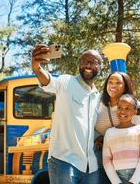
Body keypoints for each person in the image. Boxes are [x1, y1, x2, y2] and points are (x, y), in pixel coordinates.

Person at [32, 44, 103, 184]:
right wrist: (37, 68)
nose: (87, 65)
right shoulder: (66, 82)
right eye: (83, 61)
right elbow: (48, 81)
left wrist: (100, 137)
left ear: (99, 66)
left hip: (90, 165)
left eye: (92, 62)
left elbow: (89, 125)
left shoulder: (97, 96)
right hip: (64, 161)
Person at [94, 72, 140, 183]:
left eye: (118, 83)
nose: (113, 85)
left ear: (125, 86)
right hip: (102, 156)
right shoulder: (97, 103)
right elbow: (89, 124)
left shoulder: (131, 106)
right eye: (110, 82)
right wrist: (98, 136)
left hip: (129, 160)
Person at [103, 94, 140, 184]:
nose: (122, 111)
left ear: (135, 111)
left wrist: (134, 181)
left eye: (127, 108)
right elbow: (106, 160)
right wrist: (116, 182)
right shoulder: (109, 133)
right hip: (118, 178)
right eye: (120, 108)